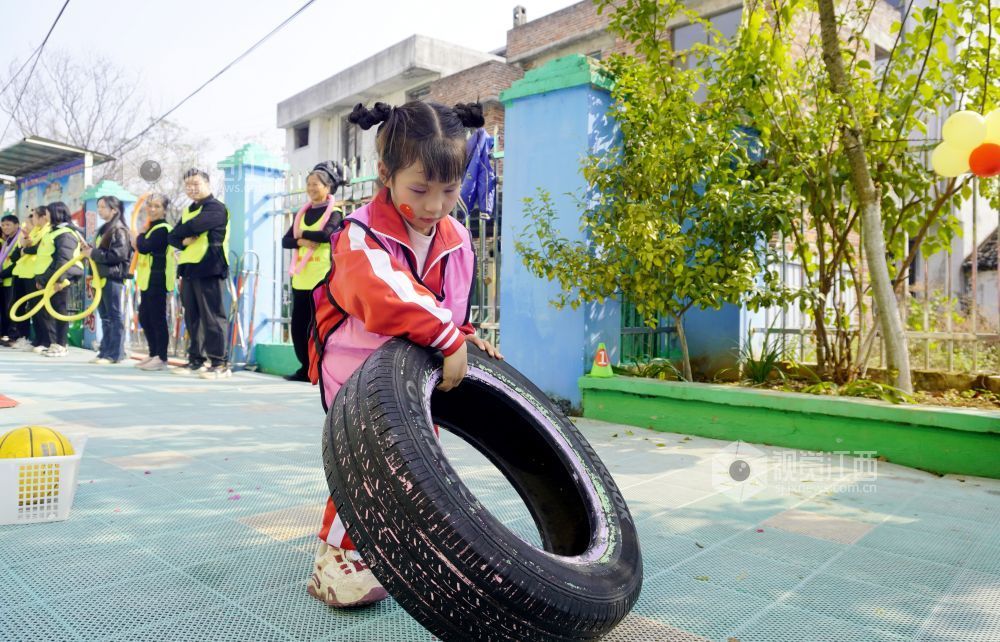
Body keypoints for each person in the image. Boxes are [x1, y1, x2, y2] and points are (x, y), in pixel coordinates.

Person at [306, 100, 503, 608]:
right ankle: (336, 555)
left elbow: (450, 302)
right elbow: (380, 291)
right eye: (420, 189)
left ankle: (393, 541)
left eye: (450, 190)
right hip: (357, 367)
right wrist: (444, 335)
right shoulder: (359, 233)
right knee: (370, 456)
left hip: (417, 368)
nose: (436, 205)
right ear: (385, 175)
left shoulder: (456, 238)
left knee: (418, 458)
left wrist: (462, 332)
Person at [281, 161, 347, 382]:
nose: (311, 187)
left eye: (315, 184)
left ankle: (318, 369)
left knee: (316, 328)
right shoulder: (302, 214)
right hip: (301, 278)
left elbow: (328, 235)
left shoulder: (335, 212)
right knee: (298, 327)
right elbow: (285, 241)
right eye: (308, 183)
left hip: (322, 279)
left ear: (328, 187)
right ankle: (304, 367)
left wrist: (302, 238)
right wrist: (302, 240)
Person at [168, 169, 231, 380]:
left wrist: (183, 233)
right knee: (192, 317)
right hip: (189, 270)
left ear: (207, 184)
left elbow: (195, 226)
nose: (192, 188)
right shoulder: (188, 210)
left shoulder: (216, 208)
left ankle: (220, 363)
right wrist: (183, 238)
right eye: (188, 185)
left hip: (210, 267)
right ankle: (196, 360)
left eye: (196, 183)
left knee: (213, 317)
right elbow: (173, 237)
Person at [81, 195, 133, 364]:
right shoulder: (105, 229)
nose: (100, 210)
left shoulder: (119, 230)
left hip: (113, 277)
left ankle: (115, 353)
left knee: (114, 316)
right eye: (99, 207)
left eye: (103, 207)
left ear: (114, 210)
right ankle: (105, 351)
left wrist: (93, 253)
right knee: (105, 316)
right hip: (101, 277)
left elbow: (118, 255)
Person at [31, 201, 84, 357]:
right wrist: (42, 279)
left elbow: (63, 260)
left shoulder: (65, 233)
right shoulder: (54, 231)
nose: (45, 215)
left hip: (60, 279)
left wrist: (58, 280)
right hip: (49, 279)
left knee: (60, 311)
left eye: (47, 212)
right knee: (50, 312)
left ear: (55, 213)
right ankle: (54, 343)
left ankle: (61, 344)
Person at [134, 194, 176, 371]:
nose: (152, 209)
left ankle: (161, 357)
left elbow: (143, 246)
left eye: (157, 206)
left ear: (164, 210)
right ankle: (153, 353)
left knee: (157, 318)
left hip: (158, 278)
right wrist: (141, 238)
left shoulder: (163, 229)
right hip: (147, 279)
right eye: (150, 205)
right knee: (145, 316)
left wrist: (139, 237)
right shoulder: (151, 228)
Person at [12, 208, 49, 352]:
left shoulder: (45, 231)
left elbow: (35, 249)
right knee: (28, 308)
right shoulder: (33, 233)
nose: (27, 225)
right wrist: (23, 247)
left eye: (30, 221)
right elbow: (17, 254)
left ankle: (45, 341)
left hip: (34, 273)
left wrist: (24, 249)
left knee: (38, 309)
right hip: (23, 273)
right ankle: (34, 339)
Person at [0, 214, 20, 344]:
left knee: (12, 309)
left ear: (16, 225)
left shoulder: (19, 239)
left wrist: (2, 274)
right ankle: (5, 334)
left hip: (12, 278)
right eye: (3, 225)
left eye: (8, 224)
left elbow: (17, 261)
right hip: (4, 279)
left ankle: (14, 336)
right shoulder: (7, 240)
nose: (5, 227)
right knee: (4, 309)